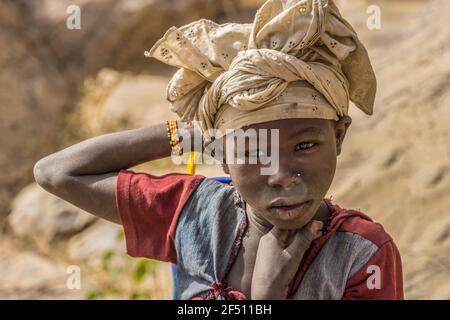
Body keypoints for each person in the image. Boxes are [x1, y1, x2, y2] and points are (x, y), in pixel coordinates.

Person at [34, 0, 403, 299]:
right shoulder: (193, 214)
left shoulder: (361, 256)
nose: (282, 175)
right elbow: (55, 173)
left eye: (305, 145)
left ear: (338, 137)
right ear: (221, 153)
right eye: (253, 150)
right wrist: (190, 133)